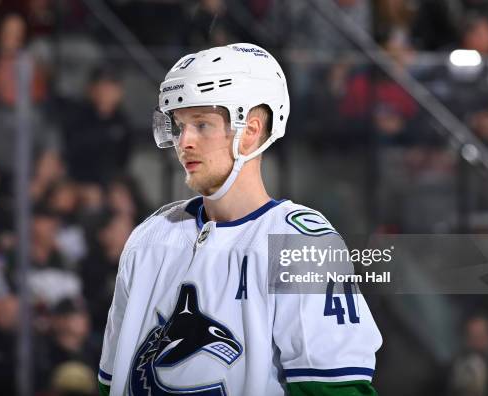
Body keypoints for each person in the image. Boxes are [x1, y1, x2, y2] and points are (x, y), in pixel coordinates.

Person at [97, 43, 382, 396]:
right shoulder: (149, 238)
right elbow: (110, 380)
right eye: (180, 125)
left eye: (202, 124)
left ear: (250, 130)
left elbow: (333, 390)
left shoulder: (301, 243)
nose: (184, 141)